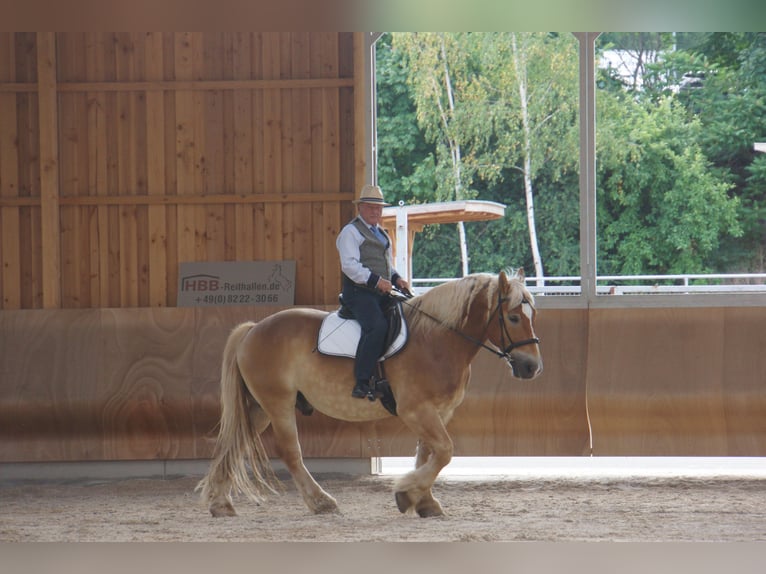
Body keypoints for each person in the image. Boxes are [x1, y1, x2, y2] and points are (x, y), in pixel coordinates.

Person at [336, 184, 411, 399]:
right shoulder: (350, 232)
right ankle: (361, 381)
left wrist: (397, 279)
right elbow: (349, 266)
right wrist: (376, 281)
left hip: (379, 292)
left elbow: (384, 265)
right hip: (358, 293)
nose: (375, 212)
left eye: (378, 208)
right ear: (360, 208)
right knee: (377, 327)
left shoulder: (380, 233)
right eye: (370, 208)